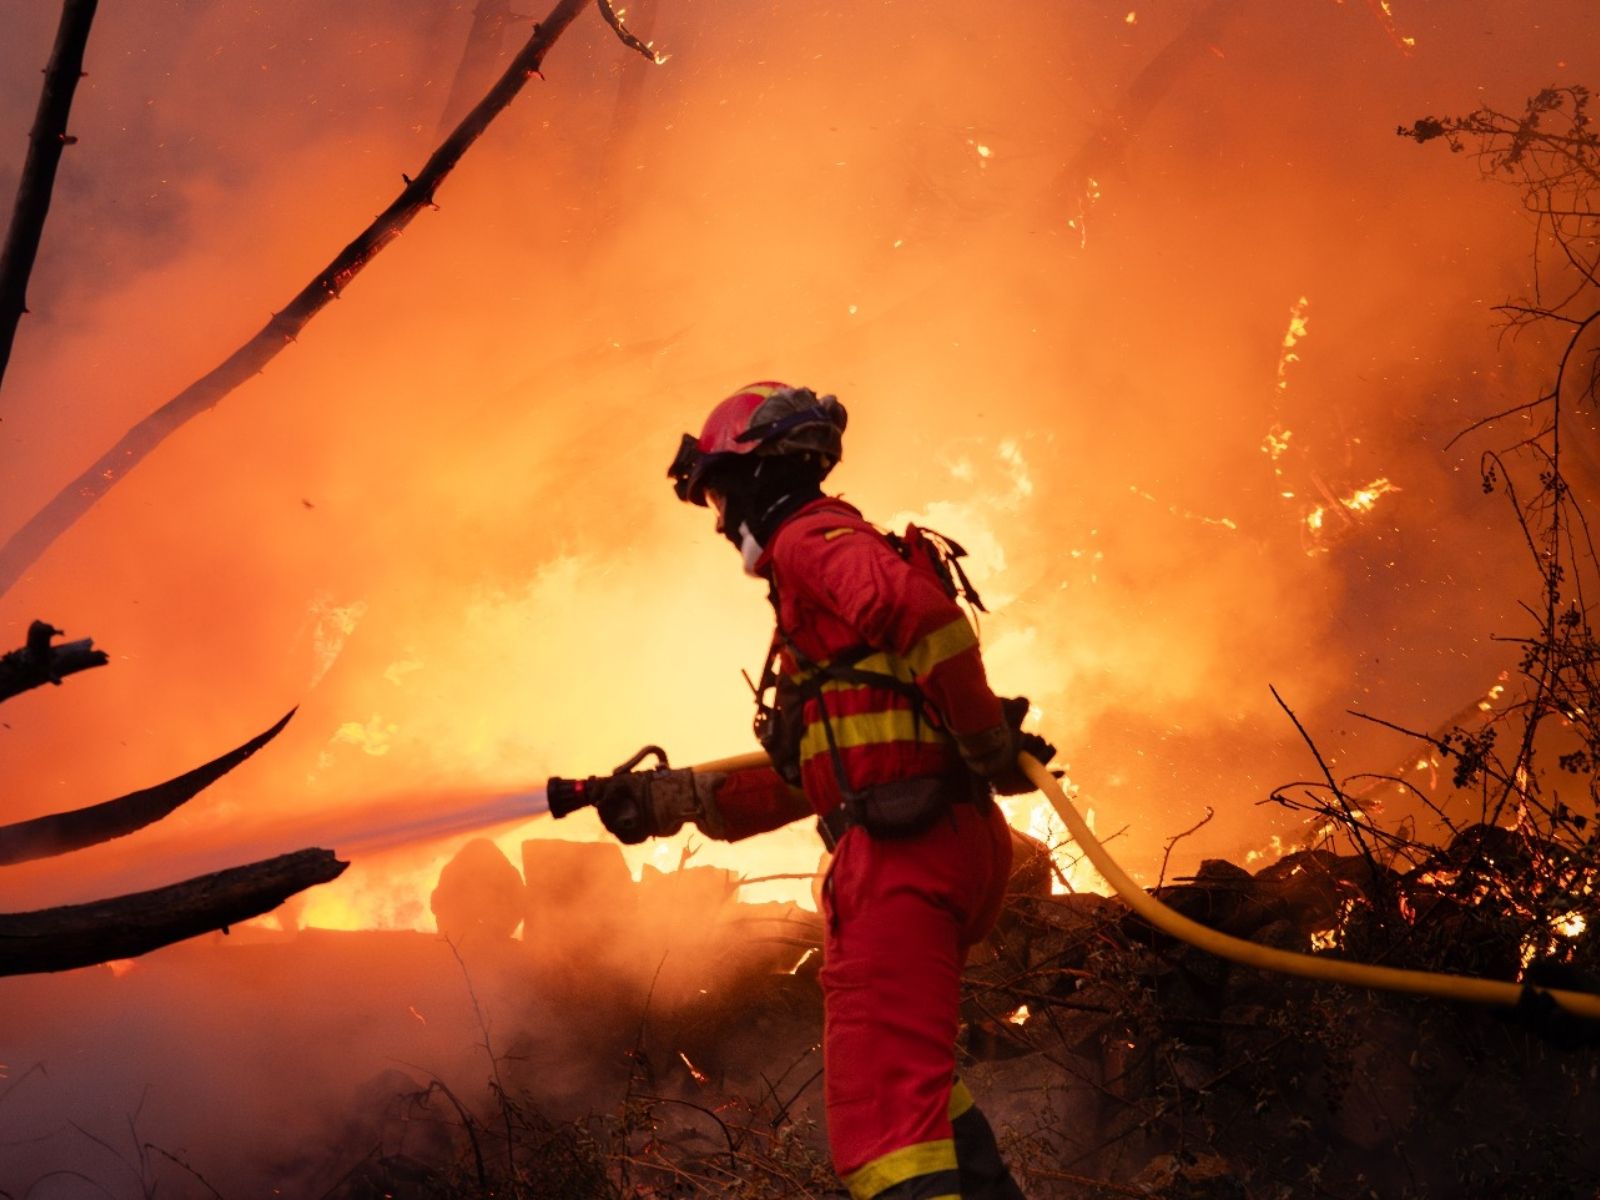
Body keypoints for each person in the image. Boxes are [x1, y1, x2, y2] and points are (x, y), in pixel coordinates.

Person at [589, 381, 1053, 1200]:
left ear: (758, 475)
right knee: (916, 1091)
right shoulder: (823, 584)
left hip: (901, 860)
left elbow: (922, 616)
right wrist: (678, 803)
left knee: (884, 1136)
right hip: (926, 842)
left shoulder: (809, 539)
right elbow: (838, 762)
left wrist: (984, 742)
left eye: (719, 495)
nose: (721, 519)